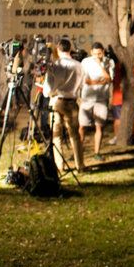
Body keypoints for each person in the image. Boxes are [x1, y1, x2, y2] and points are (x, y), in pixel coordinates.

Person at [43, 39, 85, 172]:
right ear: (69, 48)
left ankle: (59, 165)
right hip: (72, 102)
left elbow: (48, 89)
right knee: (75, 136)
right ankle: (80, 165)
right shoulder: (79, 65)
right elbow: (82, 85)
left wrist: (50, 92)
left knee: (57, 135)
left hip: (57, 100)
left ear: (58, 49)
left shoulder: (55, 65)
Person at [79, 42, 114, 161]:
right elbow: (86, 80)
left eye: (99, 54)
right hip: (87, 98)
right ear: (91, 52)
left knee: (99, 126)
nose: (96, 56)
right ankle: (79, 152)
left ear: (103, 52)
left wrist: (100, 65)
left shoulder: (109, 62)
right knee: (82, 126)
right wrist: (99, 81)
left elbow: (109, 79)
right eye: (94, 54)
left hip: (101, 99)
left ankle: (96, 153)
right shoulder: (86, 62)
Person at [108, 62, 134, 145]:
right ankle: (127, 137)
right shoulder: (120, 68)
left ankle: (130, 137)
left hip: (125, 98)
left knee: (126, 118)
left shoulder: (121, 68)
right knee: (123, 119)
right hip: (121, 97)